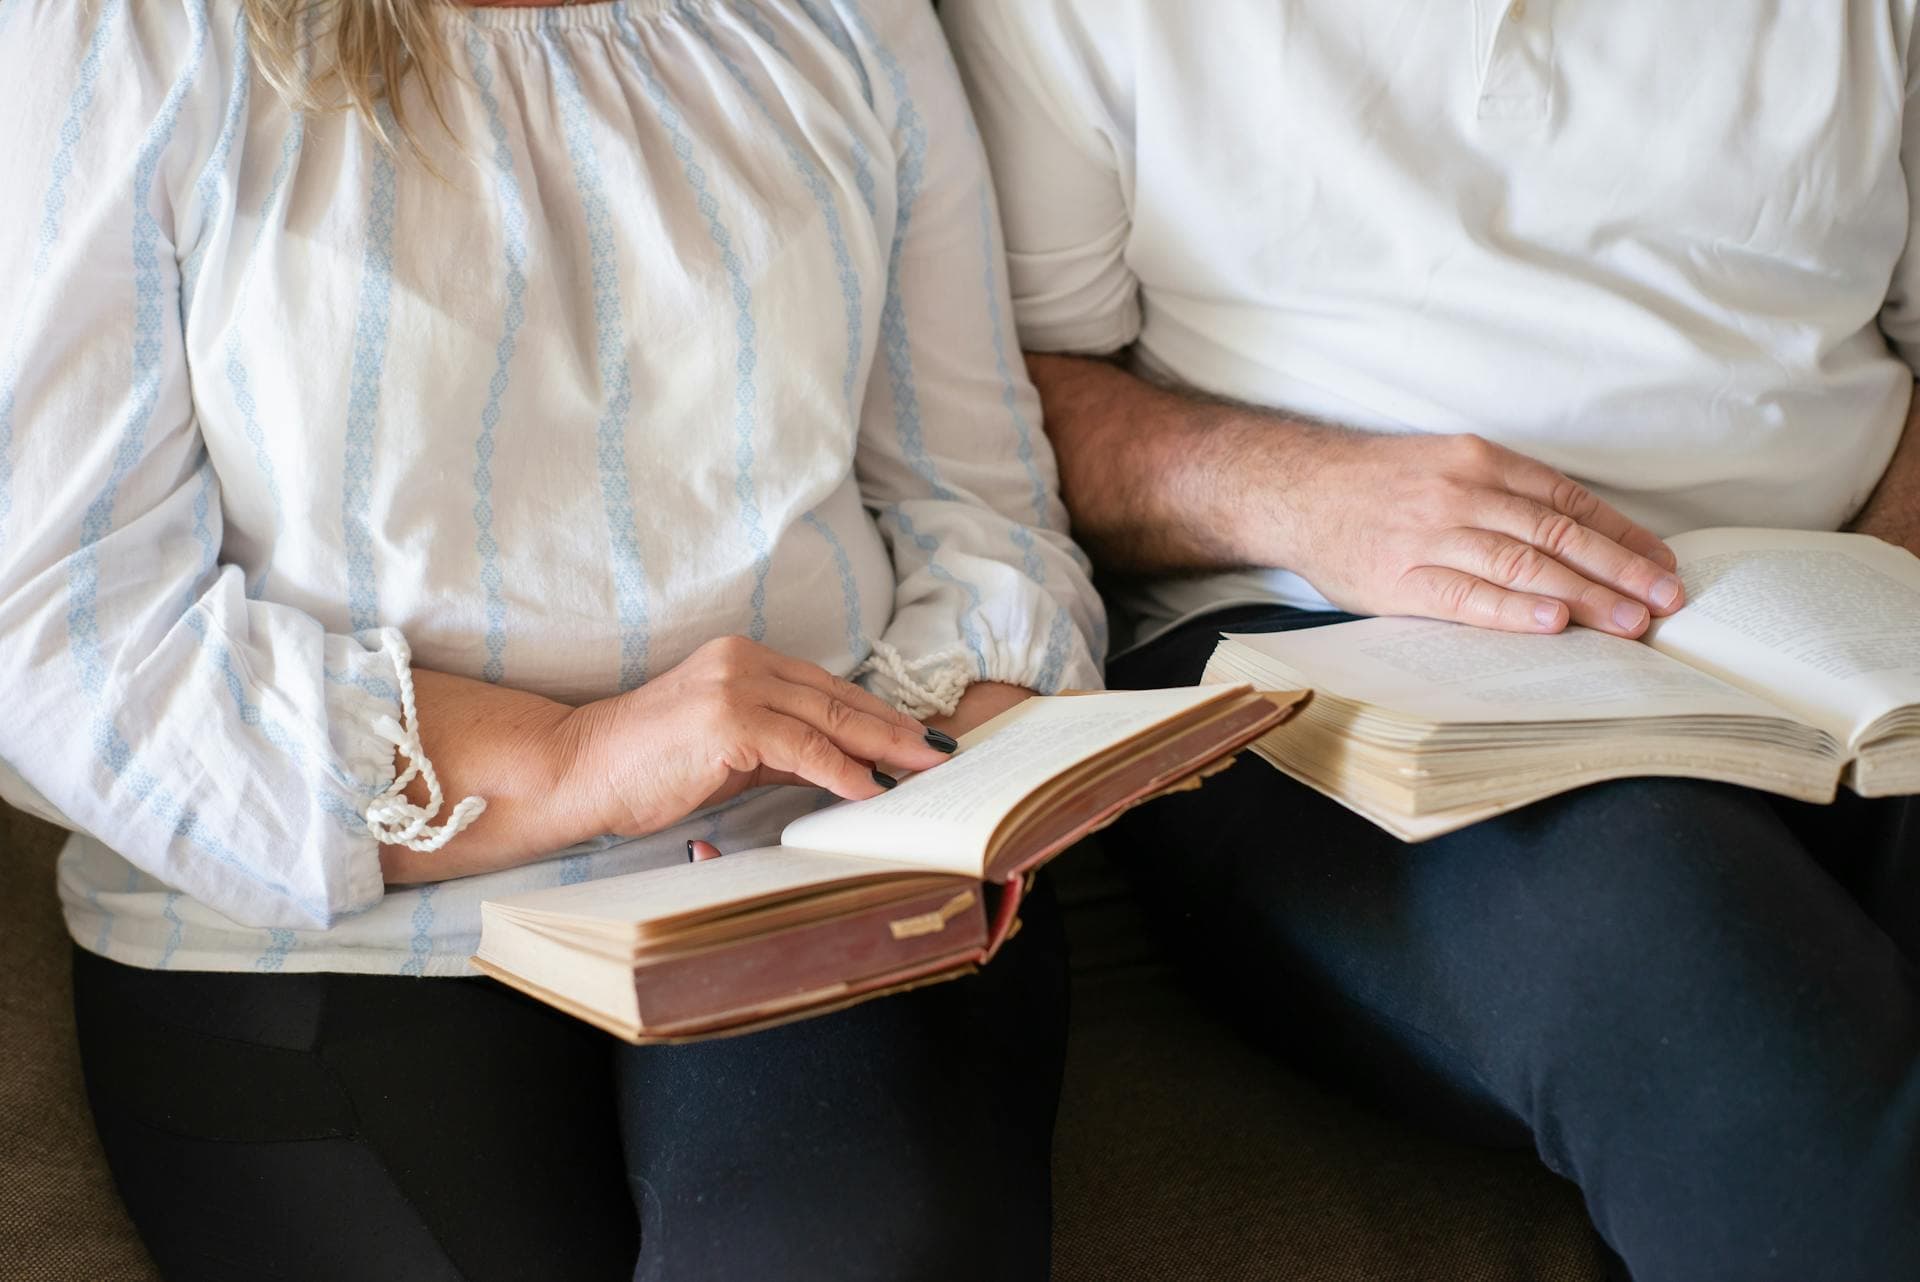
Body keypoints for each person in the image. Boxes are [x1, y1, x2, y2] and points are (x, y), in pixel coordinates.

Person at [0, 1, 1105, 1279]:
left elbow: (980, 506)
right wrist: (581, 758)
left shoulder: (851, 18)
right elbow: (58, 625)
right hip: (318, 926)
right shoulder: (118, 32)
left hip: (799, 874)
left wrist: (947, 775)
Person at [940, 2, 1920, 1279]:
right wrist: (1306, 491)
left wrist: (1887, 568)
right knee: (1734, 1037)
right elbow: (990, 400)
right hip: (1332, 661)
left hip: (1838, 623)